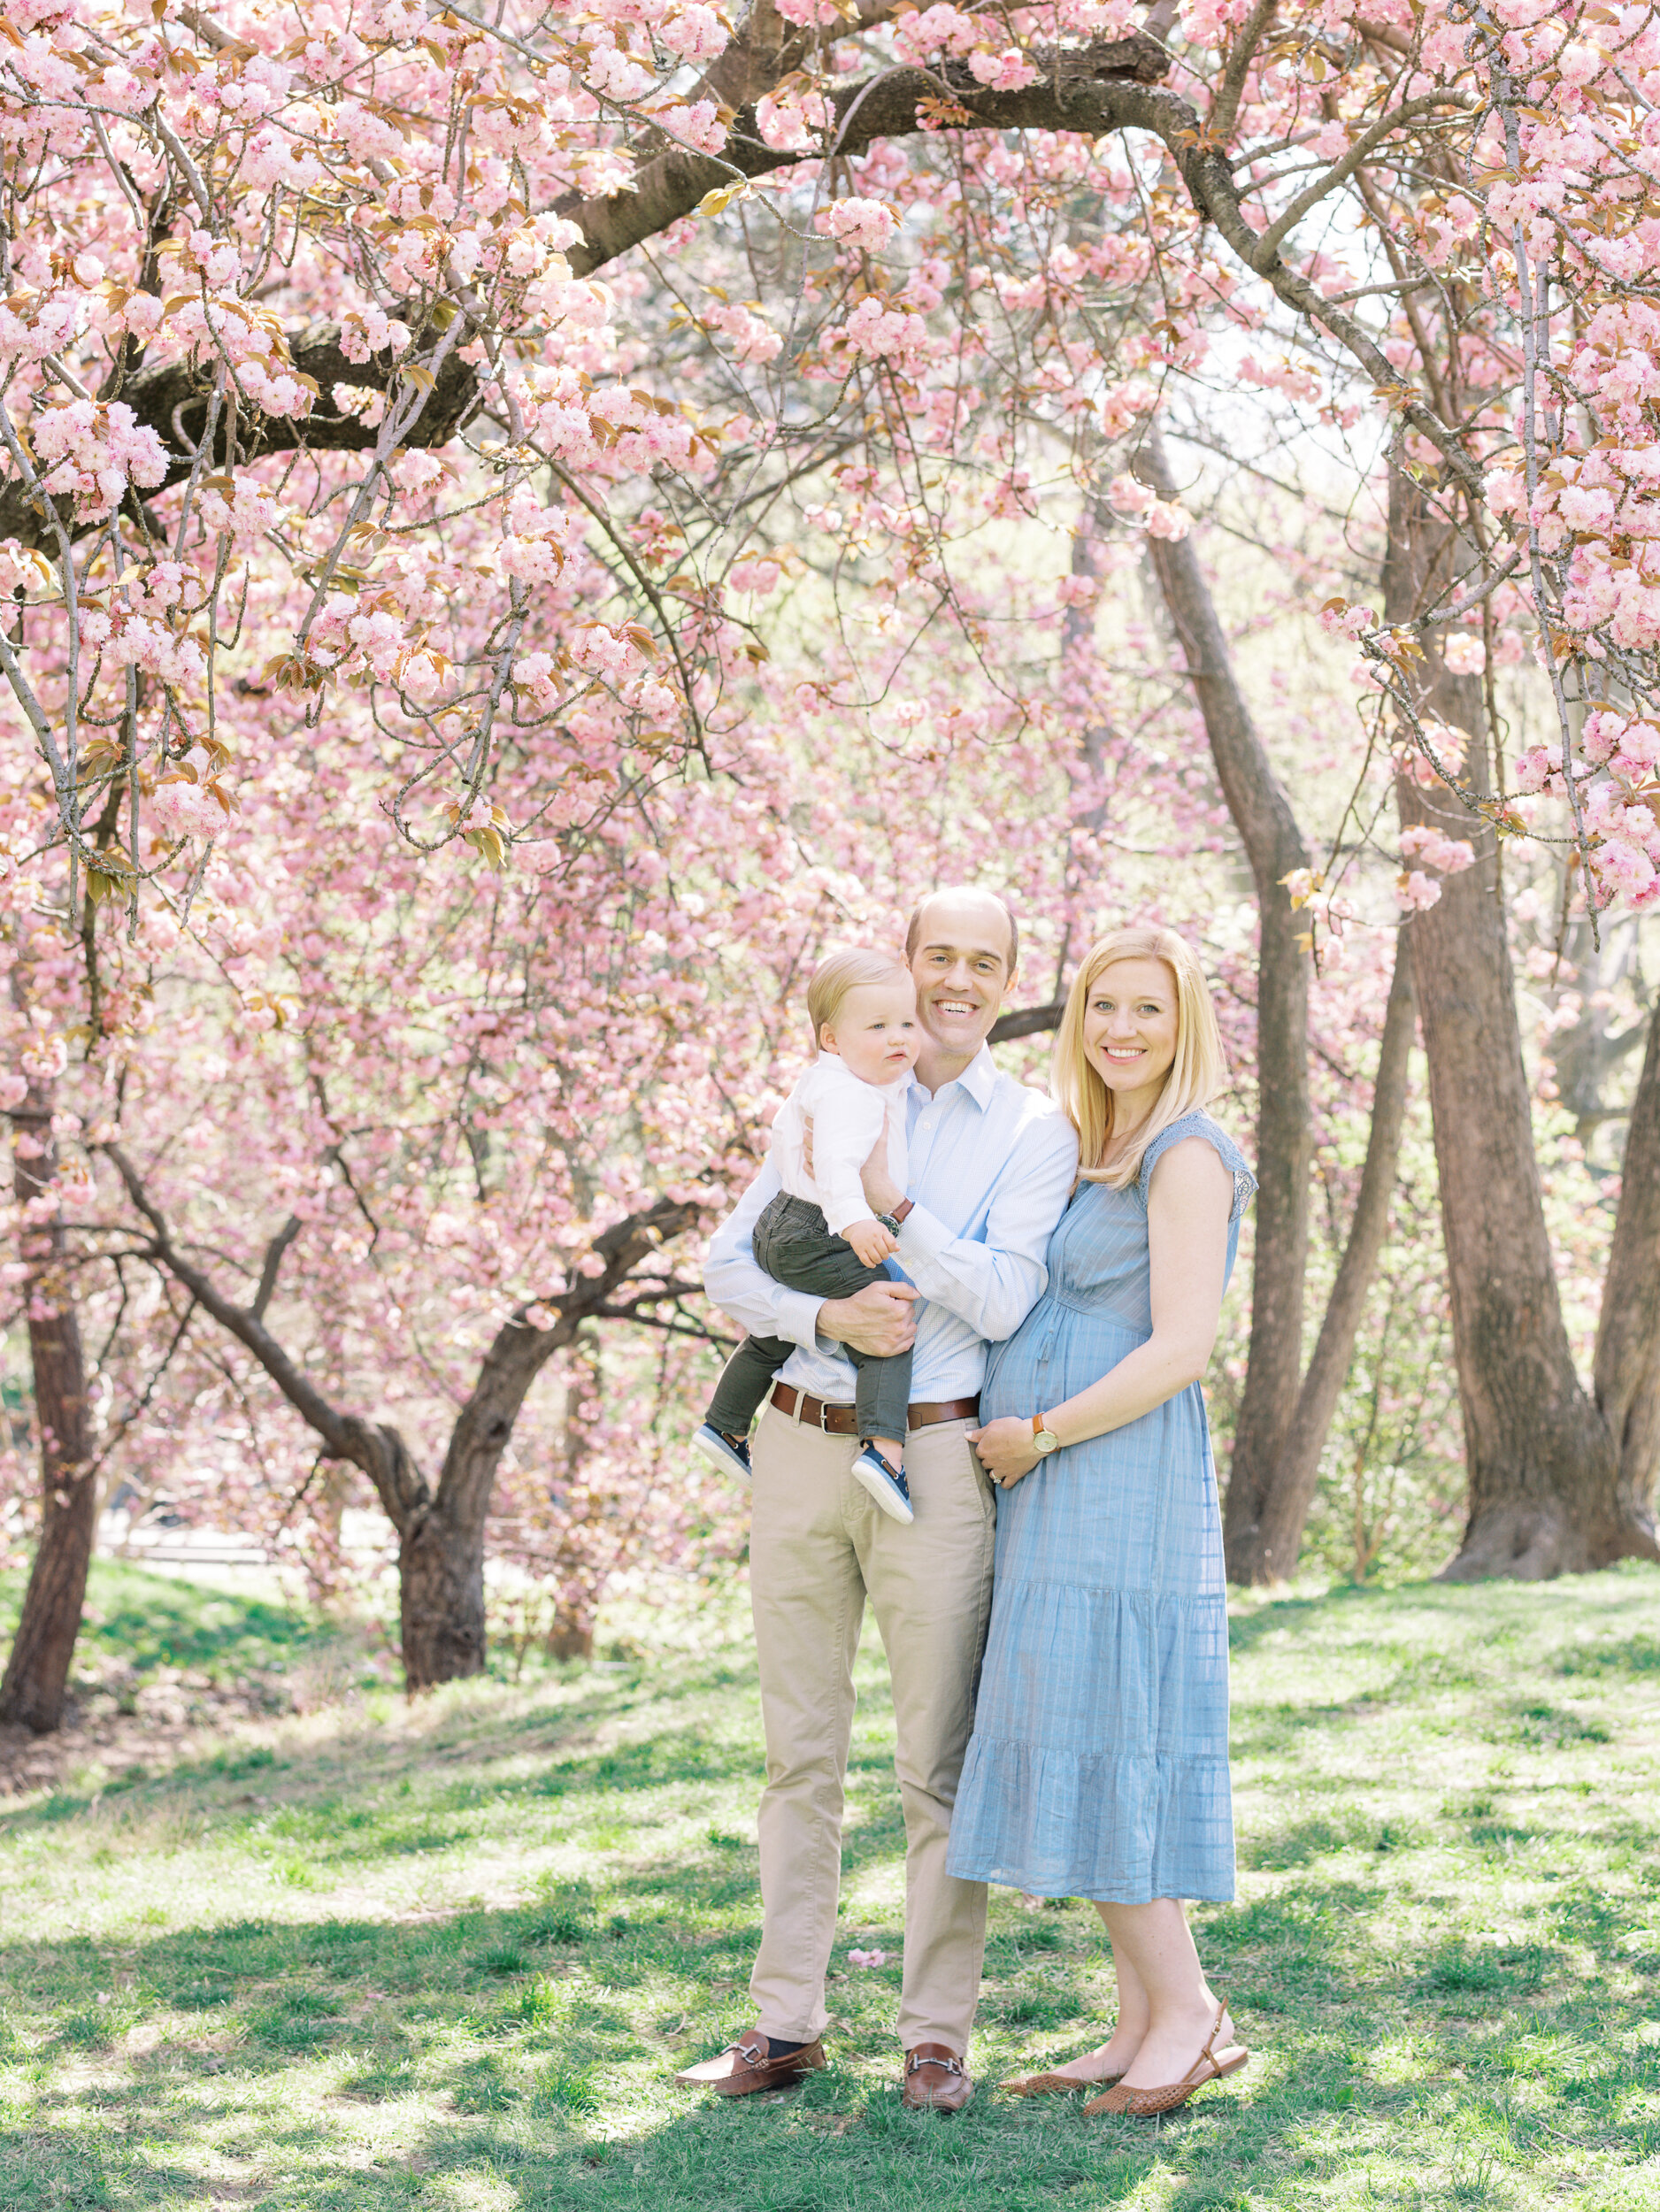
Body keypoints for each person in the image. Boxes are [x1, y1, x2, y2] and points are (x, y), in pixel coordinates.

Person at [674, 888, 1079, 2112]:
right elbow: (726, 1262)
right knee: (799, 1756)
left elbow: (1004, 1300)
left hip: (936, 1462)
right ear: (905, 965)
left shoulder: (1031, 1127)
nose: (956, 980)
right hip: (798, 1444)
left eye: (983, 961)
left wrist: (898, 1220)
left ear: (1008, 979)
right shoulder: (833, 1091)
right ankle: (783, 2025)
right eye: (938, 955)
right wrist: (824, 1316)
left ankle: (935, 2034)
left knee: (932, 1765)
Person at [947, 925, 1257, 2120]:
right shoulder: (1094, 1146)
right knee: (1074, 1720)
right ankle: (1138, 2020)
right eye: (1103, 1007)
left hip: (1111, 1473)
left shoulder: (1188, 1152)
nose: (1122, 1029)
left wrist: (1043, 1432)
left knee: (1106, 1721)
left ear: (1186, 1030)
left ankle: (1190, 2012)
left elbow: (1183, 1347)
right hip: (1056, 1480)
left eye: (1149, 1010)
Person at [693, 949, 922, 1520]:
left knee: (775, 1334)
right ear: (831, 1038)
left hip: (782, 1226)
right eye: (878, 1027)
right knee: (891, 1312)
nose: (898, 1038)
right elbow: (839, 1170)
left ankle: (723, 1423)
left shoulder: (823, 1081)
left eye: (907, 1023)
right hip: (824, 1228)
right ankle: (884, 1451)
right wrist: (859, 1222)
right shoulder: (855, 1096)